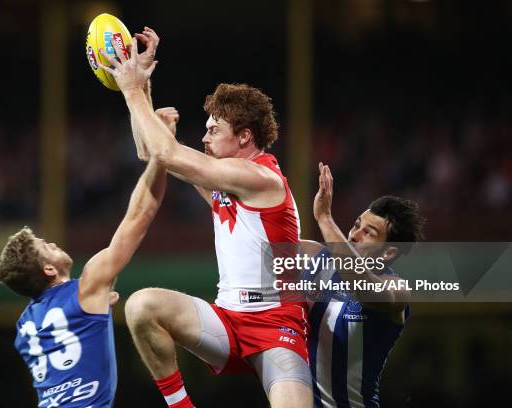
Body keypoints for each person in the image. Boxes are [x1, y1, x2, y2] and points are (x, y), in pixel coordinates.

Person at [99, 34, 313, 408]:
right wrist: (143, 86)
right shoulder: (224, 180)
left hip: (277, 327)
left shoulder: (261, 178)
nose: (204, 137)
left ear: (245, 136)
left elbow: (165, 150)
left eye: (214, 130)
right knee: (141, 306)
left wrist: (131, 88)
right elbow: (152, 152)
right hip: (227, 321)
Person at [0, 28, 170, 407]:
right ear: (47, 271)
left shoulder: (24, 327)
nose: (54, 244)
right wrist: (162, 154)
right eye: (46, 247)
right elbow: (142, 212)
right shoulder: (89, 285)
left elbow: (69, 330)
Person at [302, 162, 424, 407]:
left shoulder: (397, 291)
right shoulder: (315, 258)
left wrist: (325, 218)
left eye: (368, 233)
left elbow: (365, 290)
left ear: (389, 252)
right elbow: (259, 238)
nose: (353, 235)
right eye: (357, 225)